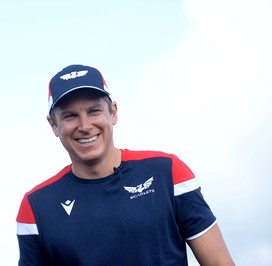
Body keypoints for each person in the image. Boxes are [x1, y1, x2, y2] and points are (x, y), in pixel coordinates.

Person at [16, 64, 235, 265]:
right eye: (70, 116)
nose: (85, 125)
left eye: (94, 111)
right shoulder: (35, 208)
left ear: (113, 112)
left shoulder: (167, 173)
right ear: (53, 125)